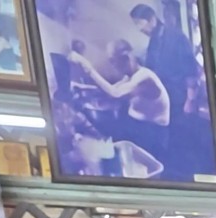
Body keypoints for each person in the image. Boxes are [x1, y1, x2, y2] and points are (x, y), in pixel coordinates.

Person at [66, 41, 173, 178]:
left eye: (113, 60)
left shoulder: (144, 77)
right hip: (138, 127)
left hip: (153, 134)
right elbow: (110, 90)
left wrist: (87, 67)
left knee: (143, 172)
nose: (112, 65)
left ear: (126, 58)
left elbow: (115, 93)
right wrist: (81, 87)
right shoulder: (130, 77)